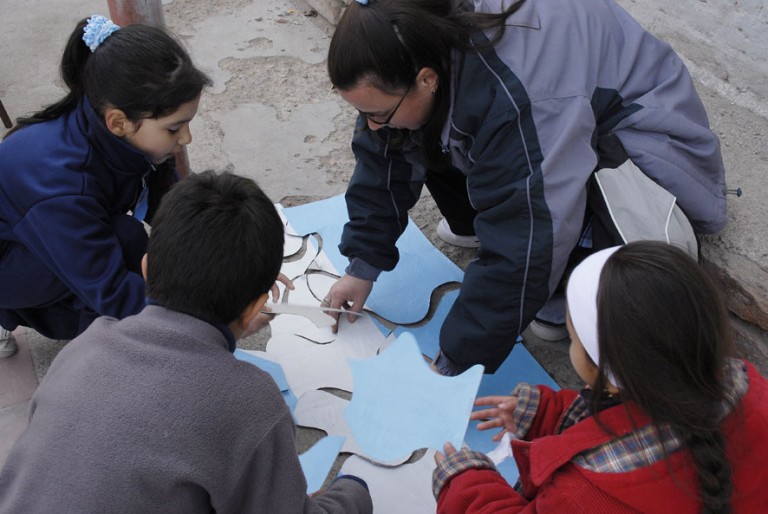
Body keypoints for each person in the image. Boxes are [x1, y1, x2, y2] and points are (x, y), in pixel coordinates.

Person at [323, 0, 727, 375]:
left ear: (426, 79)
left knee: (541, 230)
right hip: (550, 115)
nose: (371, 125)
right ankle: (492, 234)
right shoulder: (411, 35)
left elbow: (527, 235)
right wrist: (363, 264)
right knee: (408, 127)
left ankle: (568, 274)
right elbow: (383, 155)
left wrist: (455, 360)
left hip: (648, 140)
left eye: (375, 112)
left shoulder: (520, 97)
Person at [0, 171, 374, 514]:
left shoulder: (85, 347)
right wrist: (353, 491)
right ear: (258, 307)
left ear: (146, 269)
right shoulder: (251, 401)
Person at [431, 241, 768, 513]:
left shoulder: (580, 495)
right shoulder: (745, 384)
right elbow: (626, 417)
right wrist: (546, 413)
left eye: (573, 338)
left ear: (600, 368)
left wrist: (466, 484)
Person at [0, 15, 212, 358]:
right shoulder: (62, 189)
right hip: (9, 255)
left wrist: (232, 262)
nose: (186, 138)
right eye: (175, 128)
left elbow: (174, 210)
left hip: (35, 225)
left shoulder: (113, 123)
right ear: (119, 122)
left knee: (130, 244)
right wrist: (211, 315)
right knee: (125, 245)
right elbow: (111, 291)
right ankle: (99, 356)